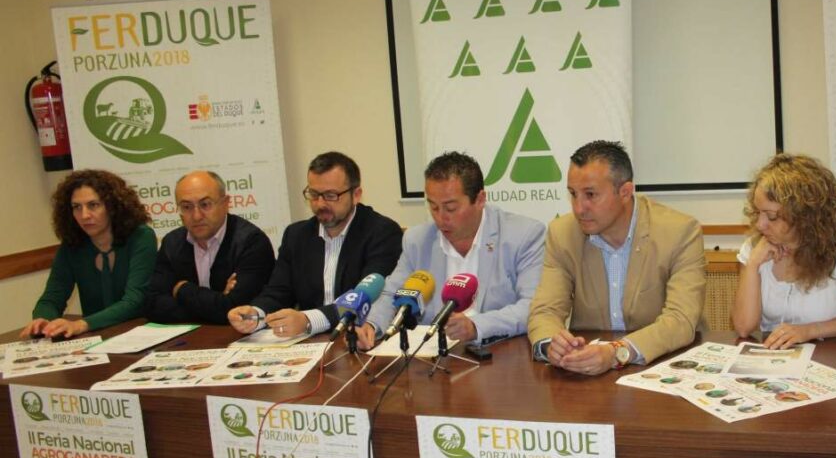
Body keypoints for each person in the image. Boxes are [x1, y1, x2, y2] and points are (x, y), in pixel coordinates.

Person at [527, 141, 706, 376]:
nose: (579, 208)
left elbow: (680, 320)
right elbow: (545, 310)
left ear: (625, 192)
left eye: (590, 195)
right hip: (587, 372)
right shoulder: (562, 234)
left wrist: (617, 352)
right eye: (573, 194)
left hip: (665, 367)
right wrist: (552, 344)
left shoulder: (679, 232)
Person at [355, 152, 545, 348]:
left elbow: (532, 306)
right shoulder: (417, 241)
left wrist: (476, 326)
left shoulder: (523, 236)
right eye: (433, 207)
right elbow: (391, 294)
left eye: (451, 208)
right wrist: (372, 324)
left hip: (499, 352)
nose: (440, 218)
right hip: (434, 354)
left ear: (480, 200)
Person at [227, 152, 402, 337]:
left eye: (330, 195)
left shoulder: (382, 232)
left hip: (357, 337)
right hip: (308, 342)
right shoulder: (296, 235)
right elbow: (279, 291)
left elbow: (365, 299)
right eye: (314, 194)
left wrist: (308, 320)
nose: (320, 204)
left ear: (356, 195)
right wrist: (256, 314)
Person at [732, 153, 836, 349]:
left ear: (804, 217)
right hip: (775, 357)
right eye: (758, 212)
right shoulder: (755, 249)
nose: (760, 224)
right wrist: (753, 264)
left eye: (771, 216)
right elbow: (744, 328)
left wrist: (811, 330)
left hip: (833, 353)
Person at [21, 169, 157, 338]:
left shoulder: (140, 236)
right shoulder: (72, 245)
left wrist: (81, 324)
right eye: (76, 207)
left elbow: (134, 300)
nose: (84, 215)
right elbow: (52, 298)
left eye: (93, 205)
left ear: (113, 207)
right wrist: (43, 319)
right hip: (95, 336)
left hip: (140, 332)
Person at [144, 171, 275, 324]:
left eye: (205, 205)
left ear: (225, 203)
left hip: (240, 335)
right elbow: (151, 305)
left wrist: (181, 288)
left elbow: (238, 312)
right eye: (186, 207)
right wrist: (216, 304)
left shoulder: (251, 242)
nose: (196, 216)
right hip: (190, 335)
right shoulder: (172, 243)